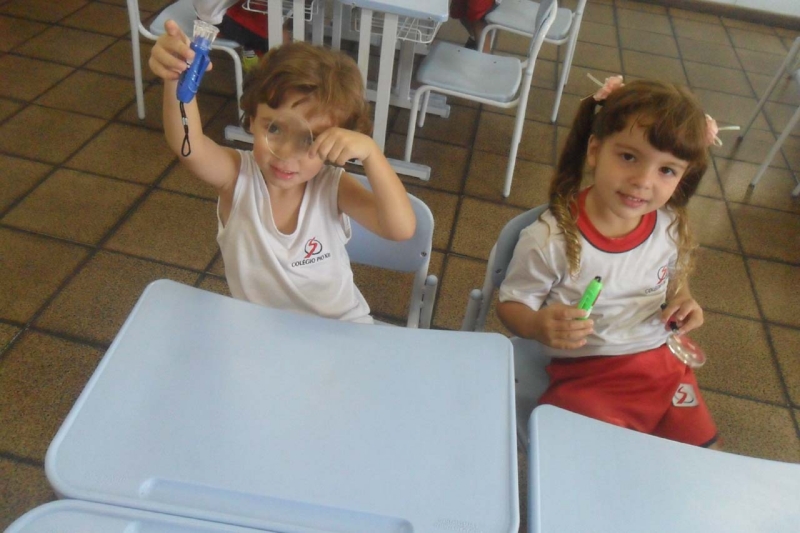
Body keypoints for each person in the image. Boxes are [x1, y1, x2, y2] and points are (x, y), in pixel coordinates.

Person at [497, 76, 721, 449]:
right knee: (585, 457)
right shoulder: (550, 240)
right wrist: (536, 325)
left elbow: (673, 277)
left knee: (697, 459)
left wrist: (683, 299)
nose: (642, 181)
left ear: (683, 177)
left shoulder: (669, 225)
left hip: (663, 363)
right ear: (595, 151)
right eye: (629, 157)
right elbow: (510, 304)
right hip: (588, 372)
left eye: (666, 170)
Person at [149, 21, 416, 324]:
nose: (287, 154)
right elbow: (189, 147)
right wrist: (175, 77)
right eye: (274, 129)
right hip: (263, 334)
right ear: (252, 119)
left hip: (341, 328)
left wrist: (372, 154)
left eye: (310, 139)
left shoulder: (332, 187)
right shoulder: (236, 177)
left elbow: (400, 229)